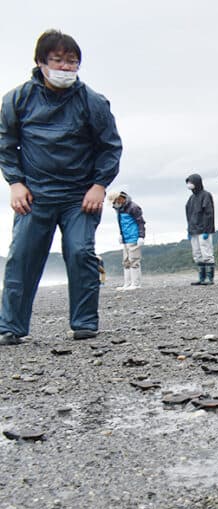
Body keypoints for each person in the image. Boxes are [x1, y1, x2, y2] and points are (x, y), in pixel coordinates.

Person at [0, 30, 122, 344]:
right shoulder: (18, 99)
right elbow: (6, 143)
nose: (66, 68)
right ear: (41, 62)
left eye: (72, 62)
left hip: (79, 197)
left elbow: (109, 146)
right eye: (58, 60)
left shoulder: (92, 101)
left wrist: (99, 185)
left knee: (80, 252)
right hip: (34, 194)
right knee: (22, 256)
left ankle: (84, 324)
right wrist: (15, 183)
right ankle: (11, 326)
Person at [108, 189, 145, 291]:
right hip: (125, 238)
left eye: (114, 201)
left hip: (134, 237)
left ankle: (136, 284)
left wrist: (141, 236)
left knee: (134, 260)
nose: (114, 204)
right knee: (126, 261)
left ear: (120, 199)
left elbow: (140, 222)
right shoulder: (119, 209)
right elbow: (121, 224)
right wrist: (121, 235)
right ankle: (127, 283)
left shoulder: (133, 207)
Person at [185, 173, 215, 285]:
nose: (189, 185)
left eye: (191, 182)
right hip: (193, 230)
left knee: (207, 253)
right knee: (197, 254)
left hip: (203, 230)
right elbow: (188, 215)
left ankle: (209, 278)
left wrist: (207, 229)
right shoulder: (191, 198)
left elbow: (209, 213)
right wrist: (189, 230)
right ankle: (201, 278)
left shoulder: (205, 195)